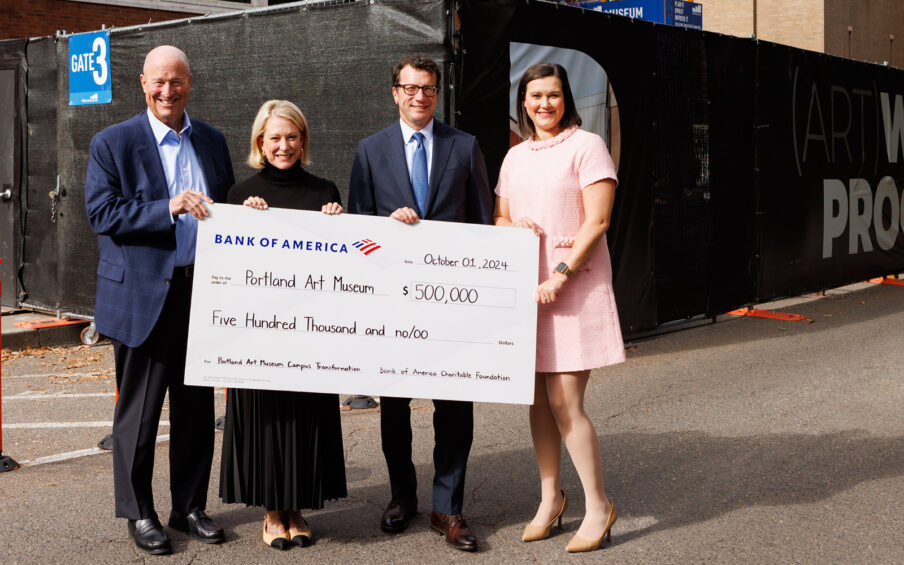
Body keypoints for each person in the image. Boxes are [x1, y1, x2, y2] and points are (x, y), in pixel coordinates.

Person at [84, 45, 234, 555]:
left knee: (194, 411)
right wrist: (166, 207)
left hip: (200, 291)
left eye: (177, 82)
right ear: (142, 83)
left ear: (190, 82)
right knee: (140, 416)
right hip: (143, 298)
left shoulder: (212, 141)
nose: (168, 92)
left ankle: (188, 506)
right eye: (159, 82)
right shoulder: (113, 142)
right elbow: (103, 214)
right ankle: (139, 512)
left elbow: (230, 209)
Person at [348, 53, 493, 552]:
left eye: (428, 88)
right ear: (395, 92)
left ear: (437, 93)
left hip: (450, 308)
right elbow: (358, 237)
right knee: (395, 409)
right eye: (410, 88)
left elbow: (482, 228)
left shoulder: (465, 146)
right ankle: (402, 497)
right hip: (393, 306)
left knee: (455, 408)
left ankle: (448, 508)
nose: (419, 96)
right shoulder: (369, 151)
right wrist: (387, 231)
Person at [494, 63, 624, 553]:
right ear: (523, 103)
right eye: (534, 96)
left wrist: (561, 275)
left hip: (574, 289)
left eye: (552, 95)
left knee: (566, 402)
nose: (543, 104)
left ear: (566, 99)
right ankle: (551, 499)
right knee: (537, 402)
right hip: (528, 292)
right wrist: (511, 227)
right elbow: (500, 215)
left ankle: (598, 505)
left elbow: (599, 220)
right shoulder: (516, 156)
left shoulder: (586, 147)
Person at [219, 99, 347, 550]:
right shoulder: (240, 196)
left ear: (303, 140)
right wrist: (246, 223)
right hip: (259, 331)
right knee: (268, 418)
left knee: (305, 415)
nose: (284, 145)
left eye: (292, 137)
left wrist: (339, 225)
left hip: (311, 329)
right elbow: (229, 269)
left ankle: (297, 509)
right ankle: (273, 513)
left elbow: (341, 268)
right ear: (260, 142)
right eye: (274, 137)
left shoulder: (325, 191)